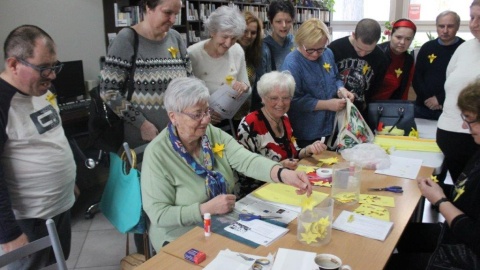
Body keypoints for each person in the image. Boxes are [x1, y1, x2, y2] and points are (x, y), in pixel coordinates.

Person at [140, 77, 312, 251]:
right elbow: (159, 215)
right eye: (197, 114)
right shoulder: (157, 154)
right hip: (180, 235)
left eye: (207, 111)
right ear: (173, 116)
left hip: (222, 222)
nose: (206, 120)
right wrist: (204, 209)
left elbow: (246, 159)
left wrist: (283, 174)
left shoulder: (210, 134)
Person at [0, 25, 75, 269]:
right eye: (44, 68)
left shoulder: (44, 89)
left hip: (58, 208)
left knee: (57, 263)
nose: (52, 75)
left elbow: (54, 135)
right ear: (13, 65)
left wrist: (69, 179)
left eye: (54, 65)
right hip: (27, 219)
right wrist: (8, 233)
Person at [385, 79, 480, 269]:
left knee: (387, 264)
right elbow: (466, 194)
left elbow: (473, 235)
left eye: (469, 119)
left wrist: (440, 201)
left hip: (468, 254)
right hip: (454, 236)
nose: (464, 127)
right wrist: (439, 190)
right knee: (398, 234)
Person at [100, 0, 191, 150]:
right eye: (168, 13)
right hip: (145, 137)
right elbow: (108, 92)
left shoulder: (175, 38)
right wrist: (141, 123)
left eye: (176, 14)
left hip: (179, 134)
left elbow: (189, 80)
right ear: (148, 7)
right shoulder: (127, 39)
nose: (173, 20)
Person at [236, 71, 327, 197]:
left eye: (286, 98)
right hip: (260, 192)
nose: (280, 103)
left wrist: (309, 149)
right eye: (274, 98)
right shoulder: (249, 124)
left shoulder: (284, 118)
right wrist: (278, 167)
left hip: (286, 186)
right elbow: (242, 171)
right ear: (263, 98)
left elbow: (293, 154)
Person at [280, 18, 354, 148]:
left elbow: (336, 77)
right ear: (300, 42)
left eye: (320, 49)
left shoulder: (328, 53)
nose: (315, 54)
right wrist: (327, 105)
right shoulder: (292, 63)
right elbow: (293, 100)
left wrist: (341, 90)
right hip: (307, 131)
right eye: (310, 50)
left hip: (331, 127)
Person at [437, 0, 480, 184]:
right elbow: (450, 84)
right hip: (450, 135)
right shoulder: (465, 48)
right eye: (472, 17)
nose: (474, 24)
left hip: (474, 139)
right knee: (460, 195)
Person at [187, 5, 250, 129]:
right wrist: (205, 112)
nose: (228, 43)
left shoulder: (237, 50)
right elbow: (187, 96)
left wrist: (244, 87)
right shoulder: (192, 54)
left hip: (228, 121)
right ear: (212, 32)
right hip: (198, 123)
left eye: (233, 38)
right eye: (225, 37)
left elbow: (247, 87)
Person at [328, 18, 388, 114]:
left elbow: (374, 89)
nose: (363, 54)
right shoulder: (335, 48)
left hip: (359, 112)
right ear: (354, 35)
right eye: (359, 48)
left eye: (368, 51)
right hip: (332, 107)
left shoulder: (381, 59)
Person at [413, 11, 465, 120]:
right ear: (436, 27)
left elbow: (463, 81)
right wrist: (428, 100)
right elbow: (417, 77)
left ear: (458, 27)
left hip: (452, 110)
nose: (445, 30)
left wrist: (440, 99)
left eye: (450, 26)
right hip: (423, 108)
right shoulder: (427, 47)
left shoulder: (464, 48)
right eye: (441, 26)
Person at [252, 0, 296, 111]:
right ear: (271, 22)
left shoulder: (295, 43)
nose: (284, 26)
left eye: (288, 21)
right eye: (279, 21)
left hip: (294, 102)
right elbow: (261, 86)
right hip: (274, 106)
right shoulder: (263, 48)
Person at [373, 19, 417, 101]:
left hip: (391, 105)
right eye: (398, 37)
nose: (402, 42)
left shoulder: (408, 60)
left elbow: (405, 89)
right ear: (391, 35)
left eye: (408, 39)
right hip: (368, 104)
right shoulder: (375, 53)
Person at [235, 11, 264, 123]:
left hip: (246, 114)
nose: (248, 36)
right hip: (227, 116)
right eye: (245, 31)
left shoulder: (254, 54)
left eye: (253, 33)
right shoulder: (229, 52)